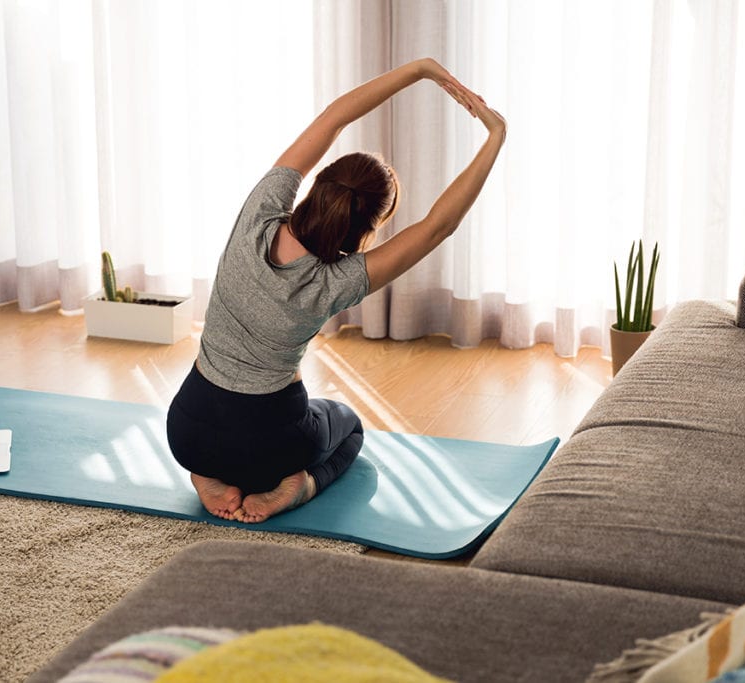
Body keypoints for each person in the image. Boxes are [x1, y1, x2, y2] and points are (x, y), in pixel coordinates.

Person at [166, 58, 506, 523]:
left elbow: (335, 117)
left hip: (186, 429)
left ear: (319, 185)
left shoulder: (258, 214)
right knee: (348, 426)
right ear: (367, 225)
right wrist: (495, 135)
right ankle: (299, 487)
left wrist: (421, 71)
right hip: (274, 446)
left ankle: (206, 475)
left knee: (222, 433)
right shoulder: (337, 281)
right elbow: (437, 228)